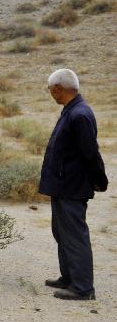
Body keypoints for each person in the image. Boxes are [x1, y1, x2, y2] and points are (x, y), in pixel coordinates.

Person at [38, 68, 108, 300]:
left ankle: (83, 288)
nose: (50, 93)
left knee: (74, 236)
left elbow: (90, 153)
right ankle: (69, 278)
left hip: (72, 187)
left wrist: (99, 180)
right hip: (63, 185)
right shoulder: (72, 111)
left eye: (50, 89)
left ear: (58, 89)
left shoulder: (80, 114)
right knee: (62, 233)